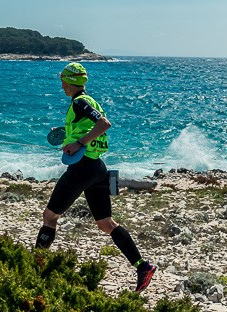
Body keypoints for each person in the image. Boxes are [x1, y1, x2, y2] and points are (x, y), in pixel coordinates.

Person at [36, 62, 156, 292]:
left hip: (82, 169)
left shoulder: (80, 102)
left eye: (63, 80)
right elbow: (91, 125)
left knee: (49, 216)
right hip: (98, 168)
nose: (61, 84)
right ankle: (143, 266)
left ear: (70, 81)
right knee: (105, 224)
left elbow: (103, 124)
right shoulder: (89, 102)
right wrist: (69, 136)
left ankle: (34, 266)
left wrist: (79, 142)